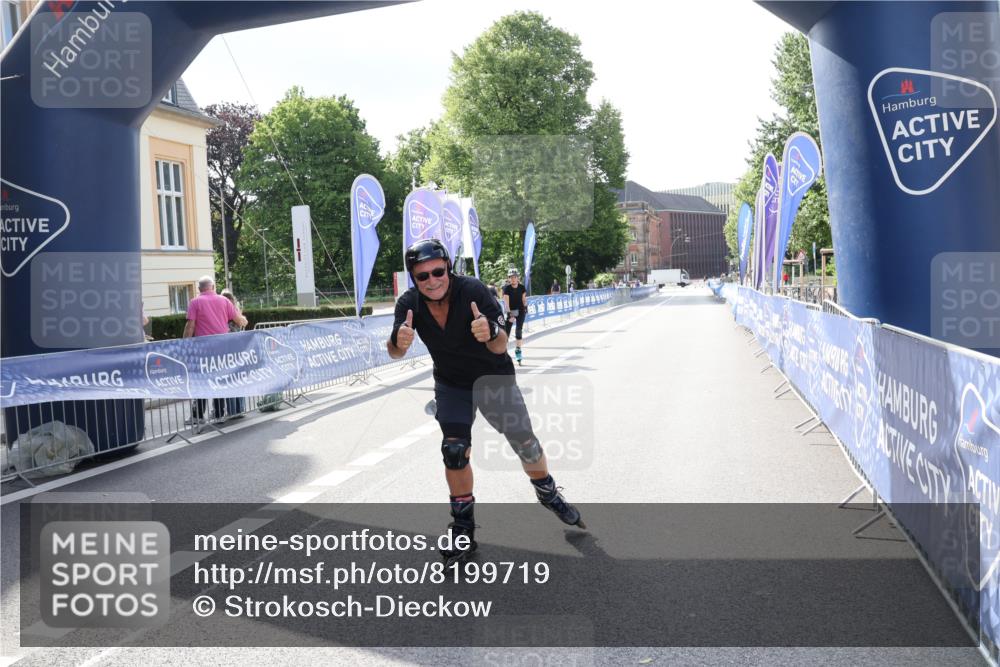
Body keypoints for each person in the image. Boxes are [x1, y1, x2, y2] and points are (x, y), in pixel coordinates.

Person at [387, 239, 584, 566]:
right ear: (414, 278)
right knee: (454, 451)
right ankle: (463, 527)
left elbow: (501, 345)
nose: (432, 280)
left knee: (527, 446)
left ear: (447, 268)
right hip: (452, 384)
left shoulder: (473, 291)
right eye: (422, 276)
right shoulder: (409, 305)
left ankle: (547, 492)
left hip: (493, 378)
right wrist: (397, 341)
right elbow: (395, 350)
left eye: (438, 271)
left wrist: (490, 331)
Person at [184, 276, 248, 424]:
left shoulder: (194, 302)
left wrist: (184, 345)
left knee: (202, 381)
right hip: (223, 348)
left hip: (203, 349)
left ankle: (198, 415)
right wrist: (244, 320)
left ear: (199, 289)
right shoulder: (224, 300)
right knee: (219, 380)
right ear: (213, 287)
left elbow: (190, 327)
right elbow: (239, 320)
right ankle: (219, 413)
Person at [220, 288, 247, 420]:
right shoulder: (236, 312)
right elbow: (244, 322)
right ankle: (239, 409)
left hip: (228, 350)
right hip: (238, 349)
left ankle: (233, 411)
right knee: (238, 379)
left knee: (230, 380)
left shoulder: (227, 313)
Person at [502, 268, 528, 366]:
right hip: (510, 311)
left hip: (520, 310)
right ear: (508, 279)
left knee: (518, 330)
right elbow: (506, 303)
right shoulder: (506, 288)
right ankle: (503, 352)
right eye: (511, 277)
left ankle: (518, 351)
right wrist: (509, 314)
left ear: (518, 278)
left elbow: (524, 299)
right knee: (506, 333)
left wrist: (525, 306)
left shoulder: (522, 287)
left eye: (515, 277)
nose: (513, 279)